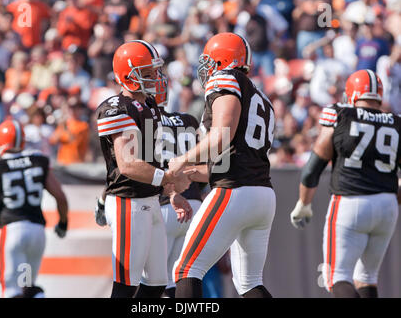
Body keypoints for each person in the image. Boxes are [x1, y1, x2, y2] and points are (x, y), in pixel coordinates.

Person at [168, 32, 276, 298]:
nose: (205, 70)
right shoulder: (261, 97)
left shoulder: (225, 78)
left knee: (186, 269)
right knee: (250, 283)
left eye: (209, 62)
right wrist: (194, 173)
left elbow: (221, 137)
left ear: (222, 60)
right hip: (262, 194)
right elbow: (232, 155)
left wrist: (182, 159)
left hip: (234, 191)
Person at [290, 70, 401, 298]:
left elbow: (314, 165)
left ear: (351, 94)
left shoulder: (340, 114)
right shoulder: (396, 121)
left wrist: (304, 202)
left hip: (350, 200)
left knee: (336, 277)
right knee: (367, 278)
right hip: (387, 204)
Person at [95, 40, 192, 298]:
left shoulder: (148, 106)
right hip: (129, 201)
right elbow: (128, 165)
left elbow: (154, 159)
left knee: (158, 283)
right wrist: (168, 178)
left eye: (155, 71)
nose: (155, 78)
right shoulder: (117, 108)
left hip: (149, 199)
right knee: (126, 284)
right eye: (147, 73)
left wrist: (172, 192)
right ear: (128, 75)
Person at [0, 119, 69, 298]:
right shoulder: (38, 159)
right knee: (28, 288)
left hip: (12, 231)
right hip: (37, 231)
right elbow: (61, 198)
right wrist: (63, 223)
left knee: (10, 290)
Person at [154, 78, 203, 298]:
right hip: (194, 204)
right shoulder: (189, 120)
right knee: (180, 277)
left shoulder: (147, 121)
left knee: (150, 281)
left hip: (164, 205)